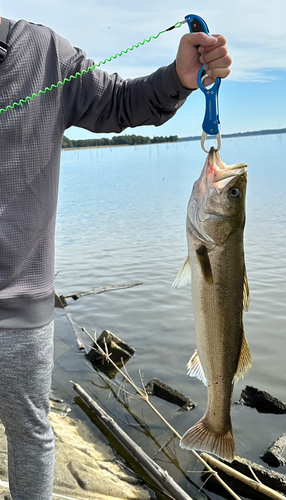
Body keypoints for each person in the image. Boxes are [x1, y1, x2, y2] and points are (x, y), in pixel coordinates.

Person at [0, 14, 232, 500]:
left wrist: (178, 78)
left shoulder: (41, 53)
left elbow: (118, 101)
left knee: (30, 436)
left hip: (18, 315)